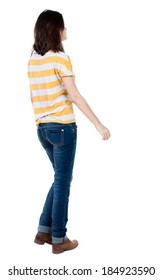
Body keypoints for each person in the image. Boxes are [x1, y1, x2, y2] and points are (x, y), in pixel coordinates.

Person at [28, 9, 111, 254]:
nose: (67, 30)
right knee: (63, 182)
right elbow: (74, 95)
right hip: (63, 128)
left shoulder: (33, 58)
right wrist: (98, 124)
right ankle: (58, 239)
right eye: (64, 26)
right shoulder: (60, 58)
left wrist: (42, 121)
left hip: (42, 129)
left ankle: (44, 229)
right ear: (56, 30)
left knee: (60, 179)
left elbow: (33, 97)